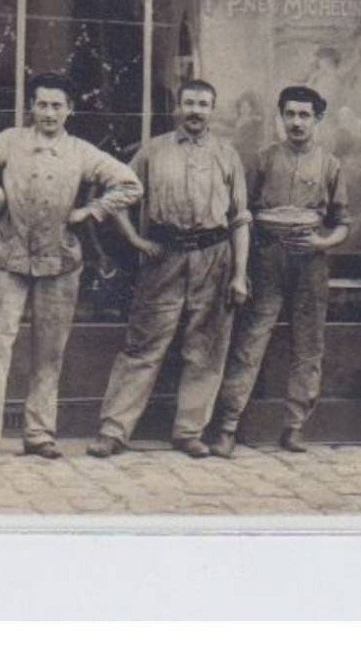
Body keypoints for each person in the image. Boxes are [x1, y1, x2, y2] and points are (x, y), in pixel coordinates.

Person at [0, 72, 142, 459]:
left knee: (50, 352)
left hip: (60, 261)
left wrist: (92, 210)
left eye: (57, 105)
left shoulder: (82, 152)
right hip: (7, 258)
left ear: (69, 109)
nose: (49, 113)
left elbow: (130, 184)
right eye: (42, 104)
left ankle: (39, 435)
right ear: (30, 108)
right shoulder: (9, 142)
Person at [87, 79, 253, 459]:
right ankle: (113, 430)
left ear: (213, 110)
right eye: (189, 102)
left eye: (204, 104)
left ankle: (189, 431)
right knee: (143, 345)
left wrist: (240, 274)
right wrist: (136, 241)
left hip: (215, 257)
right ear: (178, 107)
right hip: (163, 258)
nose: (196, 110)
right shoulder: (152, 152)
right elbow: (116, 197)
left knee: (206, 350)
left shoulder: (227, 154)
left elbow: (240, 219)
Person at [209, 85, 351, 457]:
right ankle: (227, 426)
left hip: (310, 262)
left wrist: (322, 243)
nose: (297, 122)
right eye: (290, 114)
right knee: (251, 340)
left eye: (305, 115)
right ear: (281, 116)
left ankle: (294, 426)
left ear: (318, 119)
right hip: (267, 256)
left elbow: (342, 223)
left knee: (308, 345)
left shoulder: (331, 164)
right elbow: (242, 213)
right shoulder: (262, 158)